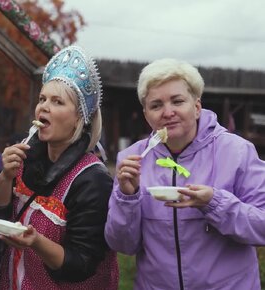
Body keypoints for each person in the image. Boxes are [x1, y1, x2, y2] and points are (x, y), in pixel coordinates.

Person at [104, 58, 265, 289]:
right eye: (156, 105)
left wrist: (215, 203)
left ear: (197, 106)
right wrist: (127, 198)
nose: (168, 112)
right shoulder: (132, 159)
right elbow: (122, 245)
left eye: (177, 101)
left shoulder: (237, 152)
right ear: (146, 113)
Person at [0, 45, 119, 289]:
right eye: (42, 99)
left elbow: (82, 264)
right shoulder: (26, 154)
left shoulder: (93, 180)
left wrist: (36, 242)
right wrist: (6, 175)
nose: (43, 107)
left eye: (57, 101)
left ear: (80, 118)